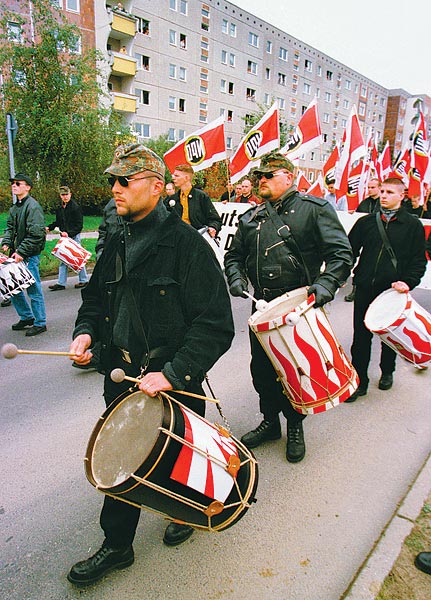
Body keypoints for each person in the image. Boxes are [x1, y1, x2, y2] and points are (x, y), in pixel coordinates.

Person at [67, 143, 234, 586]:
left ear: (157, 188)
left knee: (180, 459)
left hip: (172, 381)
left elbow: (216, 324)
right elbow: (95, 299)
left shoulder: (186, 246)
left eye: (125, 181)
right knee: (123, 459)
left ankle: (190, 510)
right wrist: (86, 333)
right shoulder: (117, 237)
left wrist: (175, 373)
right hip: (121, 378)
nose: (115, 189)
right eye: (113, 181)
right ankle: (117, 546)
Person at [224, 151, 353, 463]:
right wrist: (236, 278)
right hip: (262, 306)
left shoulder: (314, 209)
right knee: (263, 372)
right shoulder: (251, 217)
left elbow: (341, 255)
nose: (261, 181)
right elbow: (233, 256)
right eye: (259, 177)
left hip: (298, 308)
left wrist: (324, 285)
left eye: (269, 175)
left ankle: (295, 425)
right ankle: (270, 422)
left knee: (296, 370)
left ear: (289, 176)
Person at [345, 177, 427, 403]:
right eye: (382, 191)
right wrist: (343, 274)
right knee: (360, 337)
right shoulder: (366, 223)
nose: (384, 195)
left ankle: (387, 370)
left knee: (389, 336)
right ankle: (359, 380)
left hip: (393, 291)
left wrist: (408, 283)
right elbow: (348, 251)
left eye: (390, 192)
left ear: (402, 195)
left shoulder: (412, 226)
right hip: (364, 286)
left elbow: (419, 261)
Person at [1, 173, 47, 336]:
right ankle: (26, 317)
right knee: (13, 288)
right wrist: (6, 243)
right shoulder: (15, 207)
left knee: (33, 289)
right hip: (17, 254)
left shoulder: (33, 207)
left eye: (18, 183)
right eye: (13, 183)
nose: (14, 185)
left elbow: (36, 234)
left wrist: (21, 251)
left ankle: (40, 322)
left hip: (29, 255)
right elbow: (10, 228)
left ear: (27, 187)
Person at [345, 178, 382, 303]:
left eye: (373, 187)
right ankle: (355, 290)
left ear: (379, 188)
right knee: (361, 264)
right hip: (364, 237)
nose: (370, 190)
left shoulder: (383, 203)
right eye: (369, 187)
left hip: (378, 238)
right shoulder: (364, 203)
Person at [46, 186, 89, 291]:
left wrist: (68, 233)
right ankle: (61, 283)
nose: (65, 197)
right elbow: (58, 222)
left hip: (74, 236)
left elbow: (79, 226)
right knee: (63, 258)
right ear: (60, 196)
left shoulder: (75, 207)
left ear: (70, 194)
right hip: (65, 237)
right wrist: (49, 227)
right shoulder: (60, 208)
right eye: (62, 195)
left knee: (77, 258)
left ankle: (83, 280)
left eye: (66, 194)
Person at [169, 164, 222, 238]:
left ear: (186, 178)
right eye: (173, 175)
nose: (173, 178)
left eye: (177, 176)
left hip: (197, 239)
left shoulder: (201, 197)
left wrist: (213, 227)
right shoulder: (172, 199)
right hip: (177, 239)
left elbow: (215, 219)